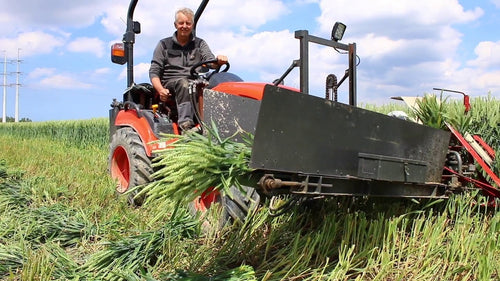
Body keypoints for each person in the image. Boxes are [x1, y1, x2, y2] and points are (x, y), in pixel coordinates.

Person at [149, 7, 228, 132]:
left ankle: (218, 126)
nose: (184, 26)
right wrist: (160, 90)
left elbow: (210, 61)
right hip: (171, 83)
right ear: (175, 25)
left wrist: (218, 61)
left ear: (192, 25)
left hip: (194, 81)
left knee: (214, 85)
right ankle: (186, 125)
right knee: (184, 83)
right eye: (181, 23)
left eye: (188, 23)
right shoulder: (164, 45)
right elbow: (154, 71)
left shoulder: (199, 43)